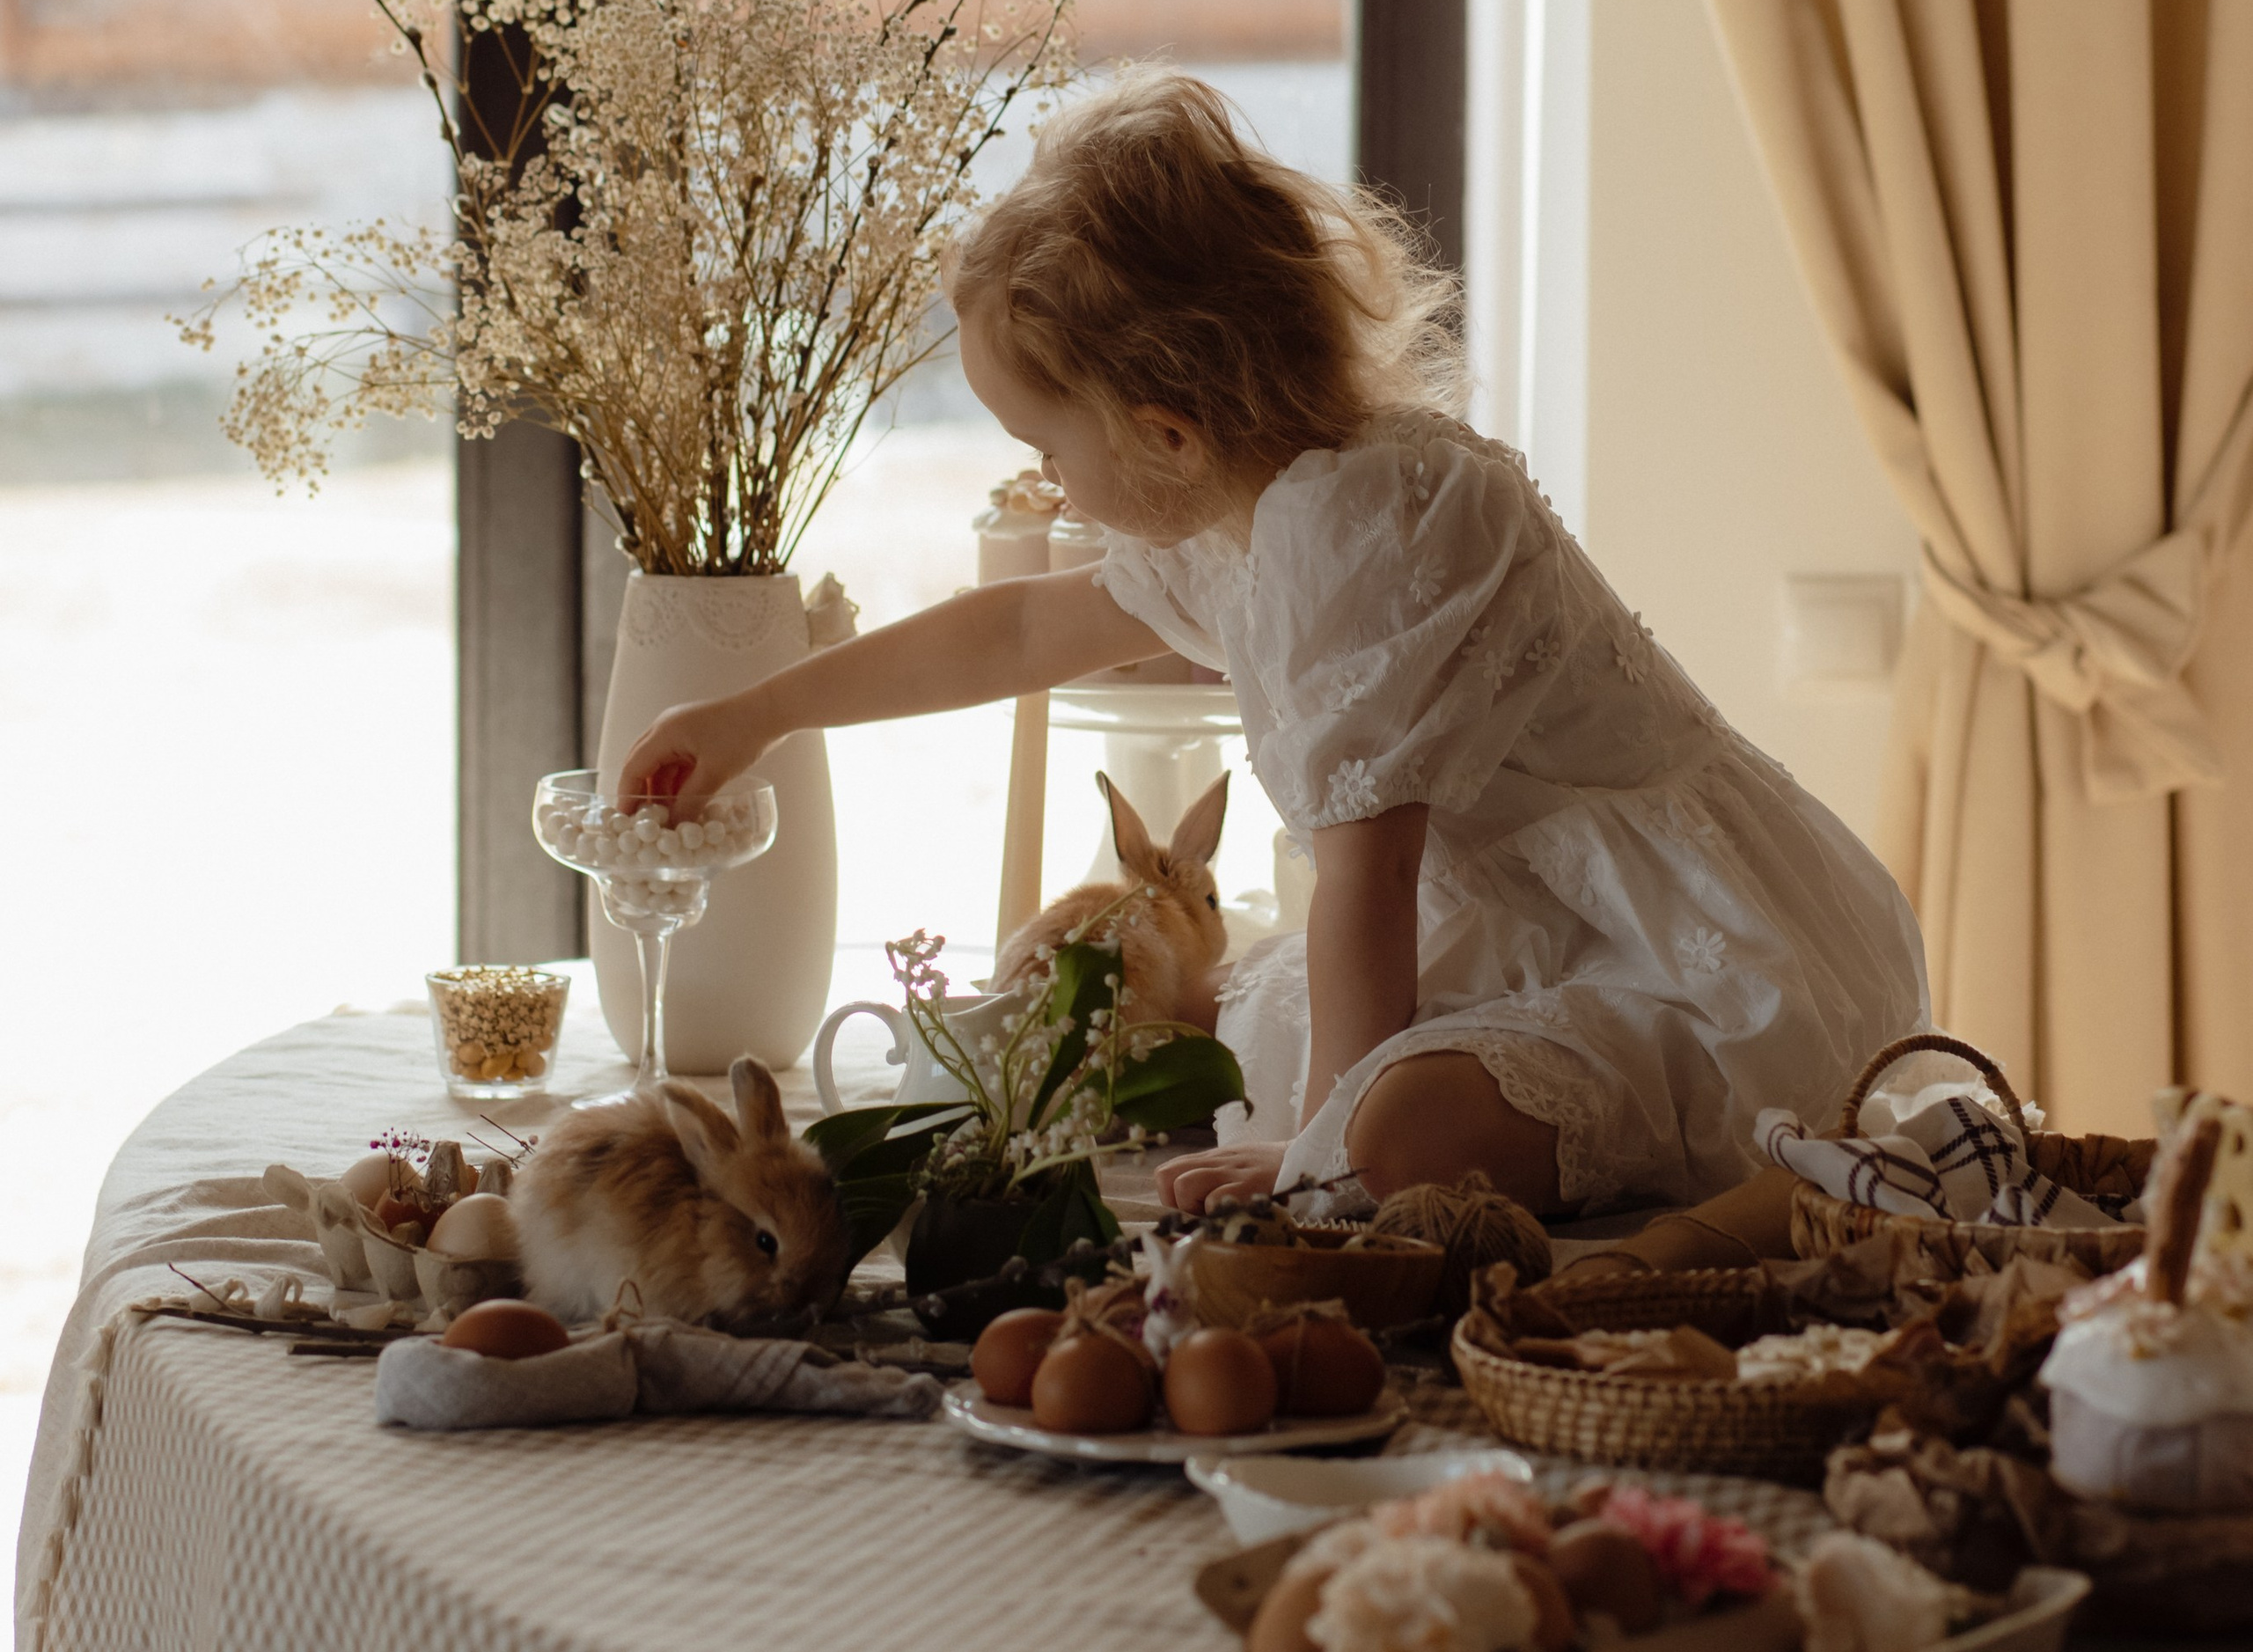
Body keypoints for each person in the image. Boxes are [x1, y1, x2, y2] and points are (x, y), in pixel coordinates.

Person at [619, 73, 1929, 1223]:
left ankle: (1473, 1145)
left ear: (1165, 431)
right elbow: (1018, 628)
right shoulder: (1238, 506)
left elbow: (1371, 872)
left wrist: (1321, 1158)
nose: (1051, 487)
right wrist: (757, 713)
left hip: (1678, 955)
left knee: (1381, 1137)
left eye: (1047, 450)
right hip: (1528, 922)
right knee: (1260, 1028)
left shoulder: (1368, 521)